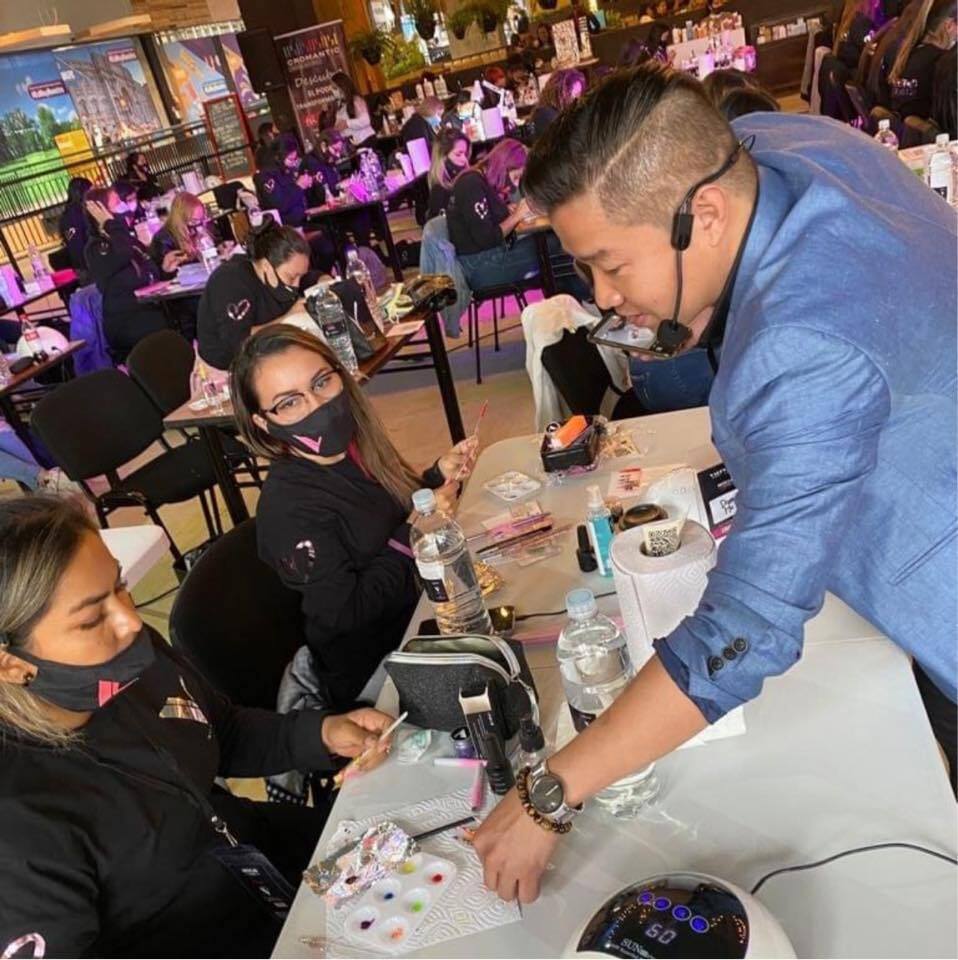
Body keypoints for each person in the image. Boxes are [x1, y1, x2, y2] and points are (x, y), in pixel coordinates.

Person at [473, 63, 957, 900]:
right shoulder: (774, 144)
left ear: (704, 215)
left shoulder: (799, 347)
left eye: (610, 265)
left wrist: (550, 793)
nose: (604, 296)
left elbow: (749, 627)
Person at [0, 495, 396, 958]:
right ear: (12, 665)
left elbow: (218, 731)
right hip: (205, 940)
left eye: (120, 586)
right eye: (92, 619)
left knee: (438, 855)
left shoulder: (127, 659)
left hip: (261, 858)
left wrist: (321, 733)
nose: (130, 622)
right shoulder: (18, 826)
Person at [230, 326, 477, 709]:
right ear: (263, 422)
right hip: (380, 670)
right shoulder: (291, 511)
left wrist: (434, 477)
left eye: (321, 383)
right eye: (289, 402)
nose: (317, 406)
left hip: (423, 611)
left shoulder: (354, 447)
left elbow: (385, 513)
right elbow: (347, 615)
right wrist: (413, 534)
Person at [196, 221, 367, 373]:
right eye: (291, 278)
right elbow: (238, 342)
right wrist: (287, 319)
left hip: (270, 354)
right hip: (228, 368)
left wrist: (322, 280)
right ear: (266, 266)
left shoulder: (284, 273)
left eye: (300, 276)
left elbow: (304, 276)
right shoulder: (229, 280)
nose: (296, 285)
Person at [84, 186, 184, 360]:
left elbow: (148, 273)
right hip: (127, 319)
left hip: (150, 308)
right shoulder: (97, 248)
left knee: (188, 313)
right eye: (117, 203)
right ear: (101, 211)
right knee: (169, 328)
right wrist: (110, 225)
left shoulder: (126, 238)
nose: (123, 207)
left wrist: (164, 270)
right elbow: (124, 256)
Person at [254, 134, 336, 272]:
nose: (294, 162)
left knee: (332, 230)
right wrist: (298, 186)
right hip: (285, 230)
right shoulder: (265, 177)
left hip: (302, 221)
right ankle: (317, 275)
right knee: (325, 244)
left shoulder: (287, 172)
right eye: (291, 159)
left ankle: (326, 273)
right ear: (279, 157)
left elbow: (297, 201)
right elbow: (280, 204)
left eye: (295, 158)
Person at [885, 0, 957, 119]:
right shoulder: (943, 63)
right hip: (921, 130)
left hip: (901, 128)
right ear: (949, 26)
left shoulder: (904, 52)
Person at [427, 128, 470, 219]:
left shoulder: (466, 182)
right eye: (458, 154)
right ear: (443, 157)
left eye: (465, 154)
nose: (464, 160)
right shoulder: (439, 192)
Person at [531, 68, 586, 137]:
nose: (577, 99)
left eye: (578, 94)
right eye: (574, 94)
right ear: (560, 91)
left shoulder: (555, 113)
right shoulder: (547, 114)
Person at [58, 176, 93, 279]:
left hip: (84, 265)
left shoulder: (69, 214)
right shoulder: (74, 215)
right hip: (87, 266)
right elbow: (77, 244)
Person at [331, 72, 376, 149]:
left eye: (335, 88)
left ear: (342, 87)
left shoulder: (356, 100)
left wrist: (347, 123)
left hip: (365, 140)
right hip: (353, 142)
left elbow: (366, 120)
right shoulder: (340, 104)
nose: (333, 91)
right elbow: (340, 125)